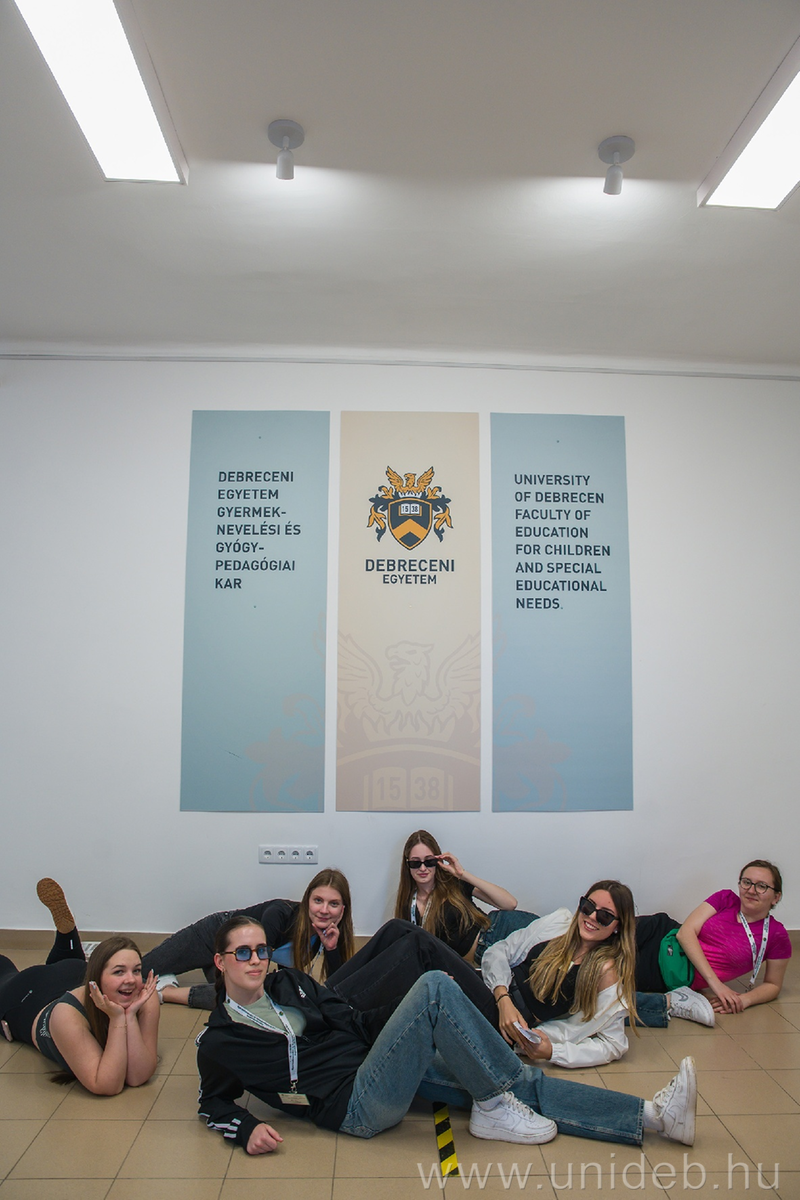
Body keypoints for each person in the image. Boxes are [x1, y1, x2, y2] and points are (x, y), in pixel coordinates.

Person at [196, 914, 699, 1155]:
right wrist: (245, 1128)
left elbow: (353, 1020)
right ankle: (494, 1104)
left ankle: (654, 1117)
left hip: (378, 1060)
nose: (256, 961)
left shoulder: (288, 983)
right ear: (220, 963)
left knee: (518, 1083)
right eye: (243, 953)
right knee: (436, 986)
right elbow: (212, 1103)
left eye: (262, 950)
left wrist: (407, 1021)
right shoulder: (220, 1039)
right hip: (354, 1104)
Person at [0, 879, 159, 1094]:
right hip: (27, 995)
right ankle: (67, 935)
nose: (131, 980)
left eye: (137, 970)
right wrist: (117, 1019)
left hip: (72, 970)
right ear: (96, 977)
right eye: (119, 971)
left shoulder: (145, 996)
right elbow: (107, 1085)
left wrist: (128, 1016)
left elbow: (137, 1076)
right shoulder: (67, 1015)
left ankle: (67, 935)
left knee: (66, 963)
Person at [481, 880, 639, 1067]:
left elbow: (613, 1045)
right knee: (447, 973)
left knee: (447, 985)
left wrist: (553, 1052)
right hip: (493, 990)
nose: (591, 917)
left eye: (605, 916)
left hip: (511, 1024)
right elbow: (499, 950)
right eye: (588, 907)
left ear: (618, 926)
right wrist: (503, 998)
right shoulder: (558, 923)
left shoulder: (605, 971)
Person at [144, 868, 354, 1008]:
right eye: (318, 900)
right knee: (142, 972)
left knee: (245, 998)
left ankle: (166, 992)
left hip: (234, 960)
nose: (324, 910)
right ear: (307, 900)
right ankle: (174, 977)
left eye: (333, 904)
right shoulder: (280, 914)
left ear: (343, 909)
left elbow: (338, 988)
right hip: (213, 935)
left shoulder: (328, 934)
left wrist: (332, 949)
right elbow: (257, 971)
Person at [635, 859, 790, 1025]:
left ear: (776, 897)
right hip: (663, 934)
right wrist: (716, 985)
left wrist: (743, 1000)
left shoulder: (776, 935)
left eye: (761, 886)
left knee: (614, 984)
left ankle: (673, 1002)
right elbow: (685, 933)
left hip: (670, 970)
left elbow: (773, 985)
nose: (751, 890)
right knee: (615, 915)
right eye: (746, 882)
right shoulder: (726, 899)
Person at [394, 829, 537, 966]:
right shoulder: (408, 907)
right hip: (490, 954)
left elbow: (510, 903)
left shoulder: (453, 883)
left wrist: (462, 874)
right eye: (415, 863)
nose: (423, 868)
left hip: (501, 928)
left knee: (549, 948)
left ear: (438, 860)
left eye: (429, 861)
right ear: (407, 865)